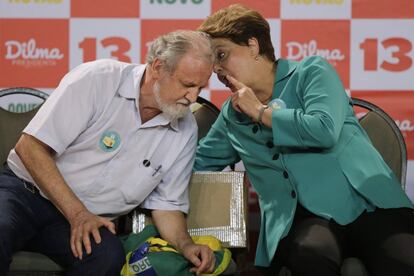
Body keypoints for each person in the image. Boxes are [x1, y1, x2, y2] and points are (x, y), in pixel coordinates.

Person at [194, 4, 414, 276]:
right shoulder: (231, 115)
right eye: (212, 63)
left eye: (222, 55)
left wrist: (261, 113)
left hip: (366, 204)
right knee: (311, 254)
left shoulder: (311, 72)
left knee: (404, 260)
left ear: (252, 46)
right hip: (299, 222)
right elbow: (198, 163)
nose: (217, 70)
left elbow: (324, 130)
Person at [0, 30, 216, 275]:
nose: (193, 97)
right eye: (187, 84)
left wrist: (185, 245)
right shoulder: (97, 79)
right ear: (158, 67)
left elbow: (167, 205)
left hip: (83, 221)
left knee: (108, 257)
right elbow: (30, 147)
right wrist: (78, 214)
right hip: (23, 194)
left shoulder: (186, 128)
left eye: (201, 87)